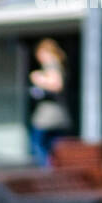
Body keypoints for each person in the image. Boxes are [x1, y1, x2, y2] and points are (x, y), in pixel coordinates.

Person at [28, 38, 71, 166]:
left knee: (38, 146)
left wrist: (38, 78)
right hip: (60, 117)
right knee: (55, 149)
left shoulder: (51, 64)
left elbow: (56, 85)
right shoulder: (59, 64)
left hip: (47, 118)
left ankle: (47, 174)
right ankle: (54, 173)